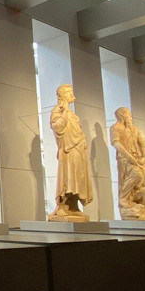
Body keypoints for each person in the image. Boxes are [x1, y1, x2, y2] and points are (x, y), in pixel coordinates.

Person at [49, 83, 93, 221]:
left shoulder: (71, 113)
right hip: (68, 150)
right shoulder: (58, 111)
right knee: (68, 178)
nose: (71, 94)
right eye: (69, 92)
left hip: (79, 149)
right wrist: (65, 113)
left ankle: (73, 207)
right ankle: (62, 206)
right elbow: (57, 128)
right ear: (62, 95)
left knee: (78, 179)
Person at [110, 107, 145, 220]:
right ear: (121, 115)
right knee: (137, 174)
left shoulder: (133, 129)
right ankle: (124, 198)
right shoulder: (115, 128)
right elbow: (116, 144)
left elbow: (143, 144)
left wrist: (144, 158)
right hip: (125, 159)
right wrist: (129, 157)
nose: (130, 117)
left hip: (138, 159)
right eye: (128, 115)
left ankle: (143, 211)